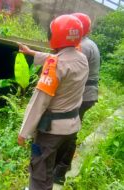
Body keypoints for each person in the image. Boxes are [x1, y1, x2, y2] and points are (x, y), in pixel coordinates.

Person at [17, 14, 89, 190]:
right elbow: (60, 59)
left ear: (54, 36)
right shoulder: (82, 59)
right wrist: (31, 52)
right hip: (71, 128)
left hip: (51, 132)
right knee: (52, 167)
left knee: (40, 173)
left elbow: (39, 102)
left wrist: (23, 132)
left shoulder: (55, 65)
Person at [53, 13, 101, 185]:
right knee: (70, 129)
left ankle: (59, 171)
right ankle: (63, 166)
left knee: (69, 131)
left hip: (83, 95)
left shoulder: (83, 47)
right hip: (88, 94)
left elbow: (70, 69)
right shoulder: (89, 44)